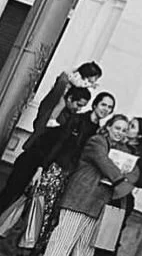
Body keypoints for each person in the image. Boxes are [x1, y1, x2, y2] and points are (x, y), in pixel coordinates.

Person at [30, 113, 133, 256]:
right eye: (117, 128)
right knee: (62, 240)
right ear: (108, 127)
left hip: (99, 203)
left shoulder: (122, 150)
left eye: (124, 130)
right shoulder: (97, 141)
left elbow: (133, 171)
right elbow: (104, 162)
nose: (120, 132)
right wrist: (122, 180)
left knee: (85, 248)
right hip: (80, 197)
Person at [0, 82, 95, 226]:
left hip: (40, 161)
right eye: (78, 104)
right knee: (11, 193)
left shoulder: (70, 117)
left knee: (16, 195)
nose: (79, 108)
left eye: (82, 106)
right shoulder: (57, 115)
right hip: (33, 158)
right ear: (69, 99)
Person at [86, 116, 142, 256]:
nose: (127, 129)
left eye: (131, 127)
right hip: (102, 192)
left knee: (107, 238)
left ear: (139, 135)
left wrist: (129, 177)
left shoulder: (141, 153)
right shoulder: (115, 143)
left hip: (120, 198)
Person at [23, 62, 102, 152]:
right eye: (94, 78)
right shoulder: (76, 78)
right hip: (64, 94)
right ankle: (52, 119)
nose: (94, 80)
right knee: (61, 104)